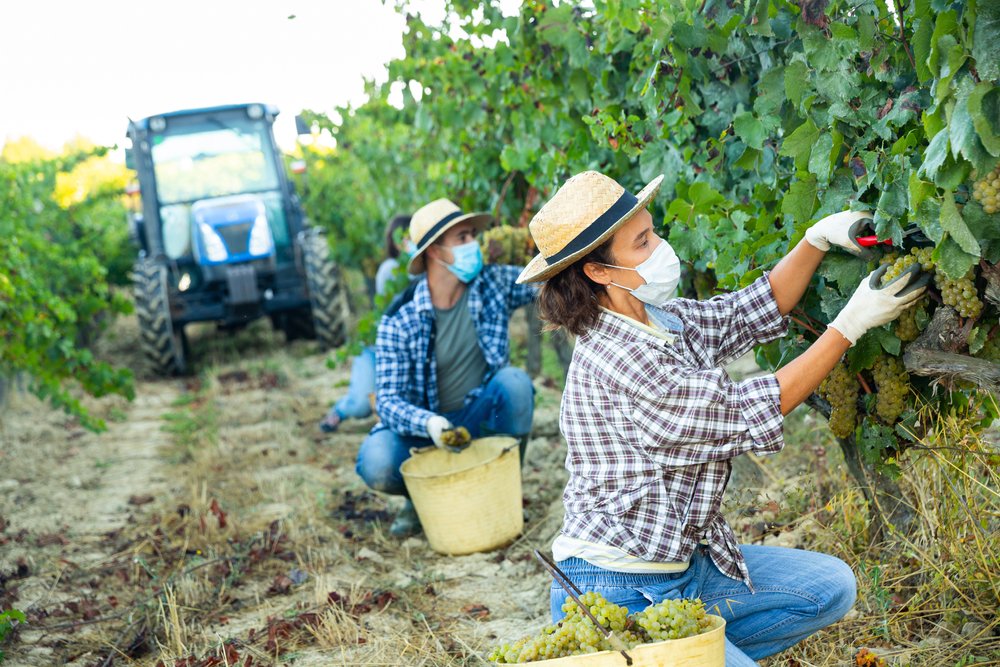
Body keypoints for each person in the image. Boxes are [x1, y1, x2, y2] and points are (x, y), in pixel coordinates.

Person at [516, 171, 928, 667]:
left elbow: (747, 311)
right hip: (618, 592)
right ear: (599, 272)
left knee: (829, 587)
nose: (661, 247)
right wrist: (851, 323)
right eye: (642, 242)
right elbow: (749, 408)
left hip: (686, 569)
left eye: (653, 231)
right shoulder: (621, 360)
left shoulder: (656, 318)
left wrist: (816, 238)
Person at [356, 198, 538, 537]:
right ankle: (421, 497)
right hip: (424, 434)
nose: (474, 245)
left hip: (478, 417)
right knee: (377, 460)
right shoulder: (400, 319)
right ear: (435, 252)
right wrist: (429, 423)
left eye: (472, 236)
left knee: (514, 384)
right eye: (463, 238)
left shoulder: (492, 284)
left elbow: (542, 282)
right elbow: (388, 402)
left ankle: (502, 489)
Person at [320, 214, 412, 433]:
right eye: (405, 238)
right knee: (361, 405)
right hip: (376, 348)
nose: (410, 243)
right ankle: (338, 411)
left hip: (402, 349)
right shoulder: (391, 269)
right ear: (395, 242)